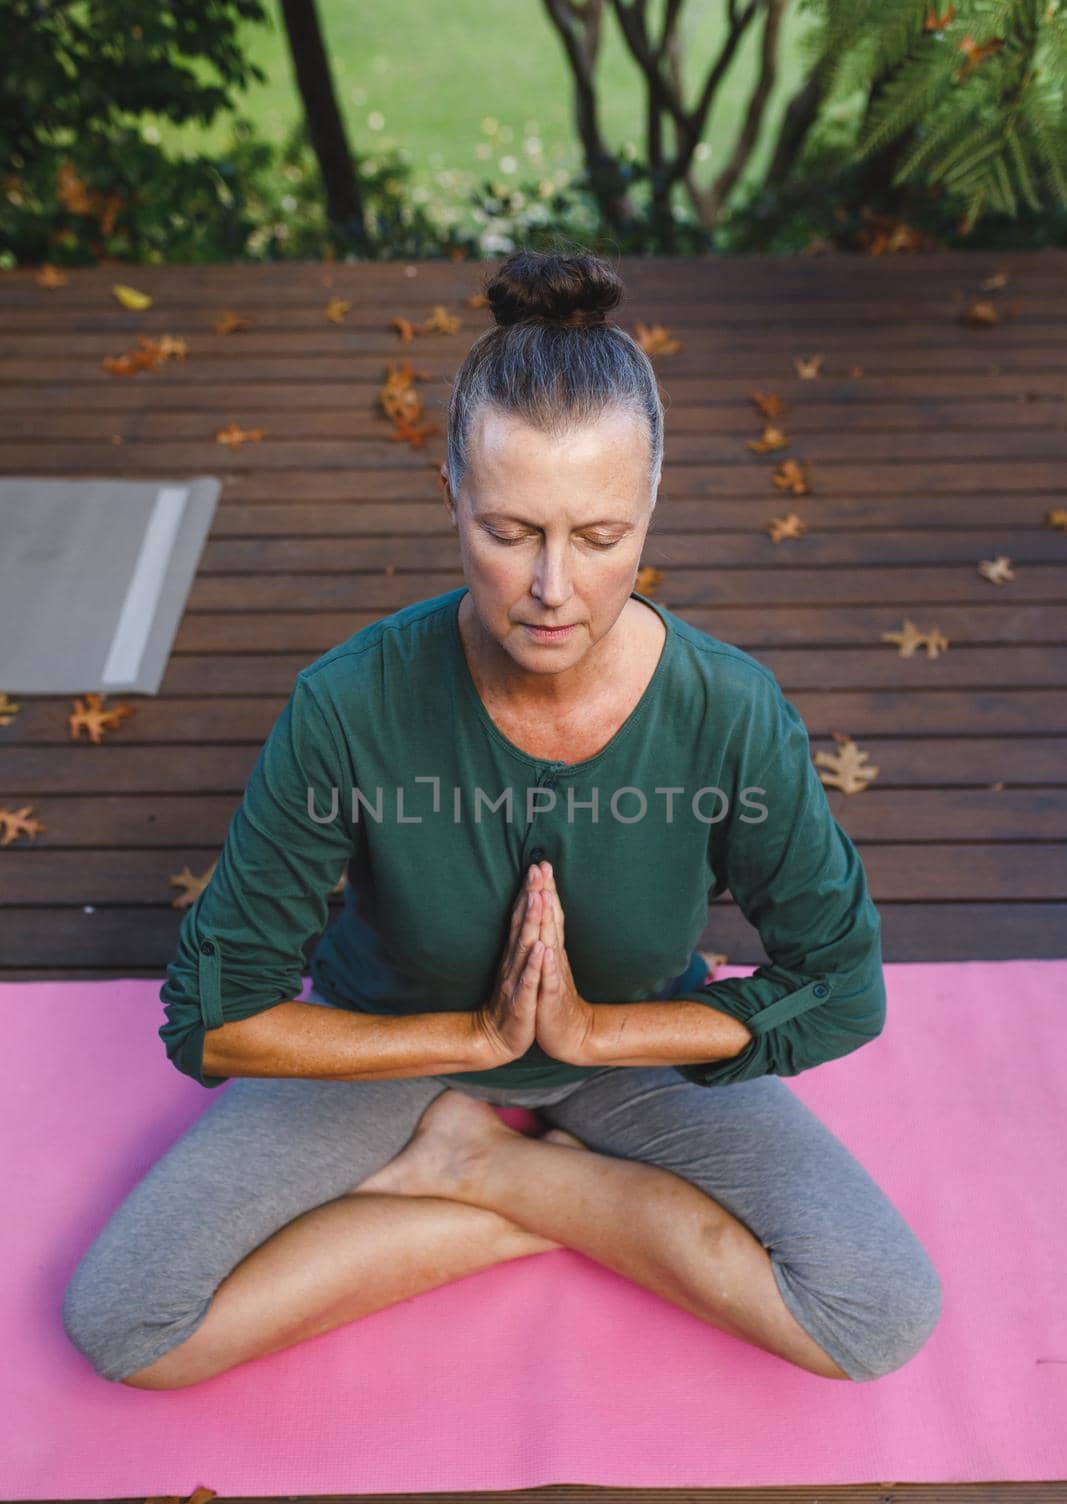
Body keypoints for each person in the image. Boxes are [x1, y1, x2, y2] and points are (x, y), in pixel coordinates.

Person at [61, 248, 942, 1392]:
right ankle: (518, 1165)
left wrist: (588, 1036)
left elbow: (840, 984)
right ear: (450, 501)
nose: (552, 590)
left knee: (877, 1311)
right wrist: (470, 1045)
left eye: (597, 536)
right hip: (395, 1041)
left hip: (629, 1047)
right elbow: (213, 1018)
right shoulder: (349, 705)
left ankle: (485, 1169)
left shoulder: (730, 713)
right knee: (126, 1321)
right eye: (510, 530)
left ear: (648, 512)